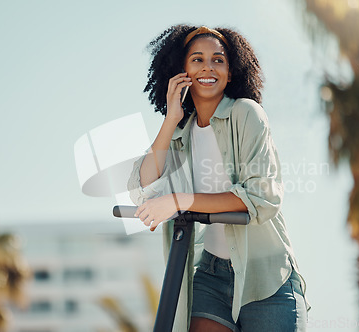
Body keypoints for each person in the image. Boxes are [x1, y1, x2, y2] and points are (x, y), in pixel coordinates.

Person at [128, 25, 310, 332]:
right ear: (181, 70)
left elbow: (261, 196)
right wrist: (170, 119)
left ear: (231, 71)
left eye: (218, 60)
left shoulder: (247, 114)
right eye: (197, 60)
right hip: (211, 277)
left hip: (265, 277)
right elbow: (143, 189)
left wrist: (180, 201)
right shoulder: (180, 133)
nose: (208, 67)